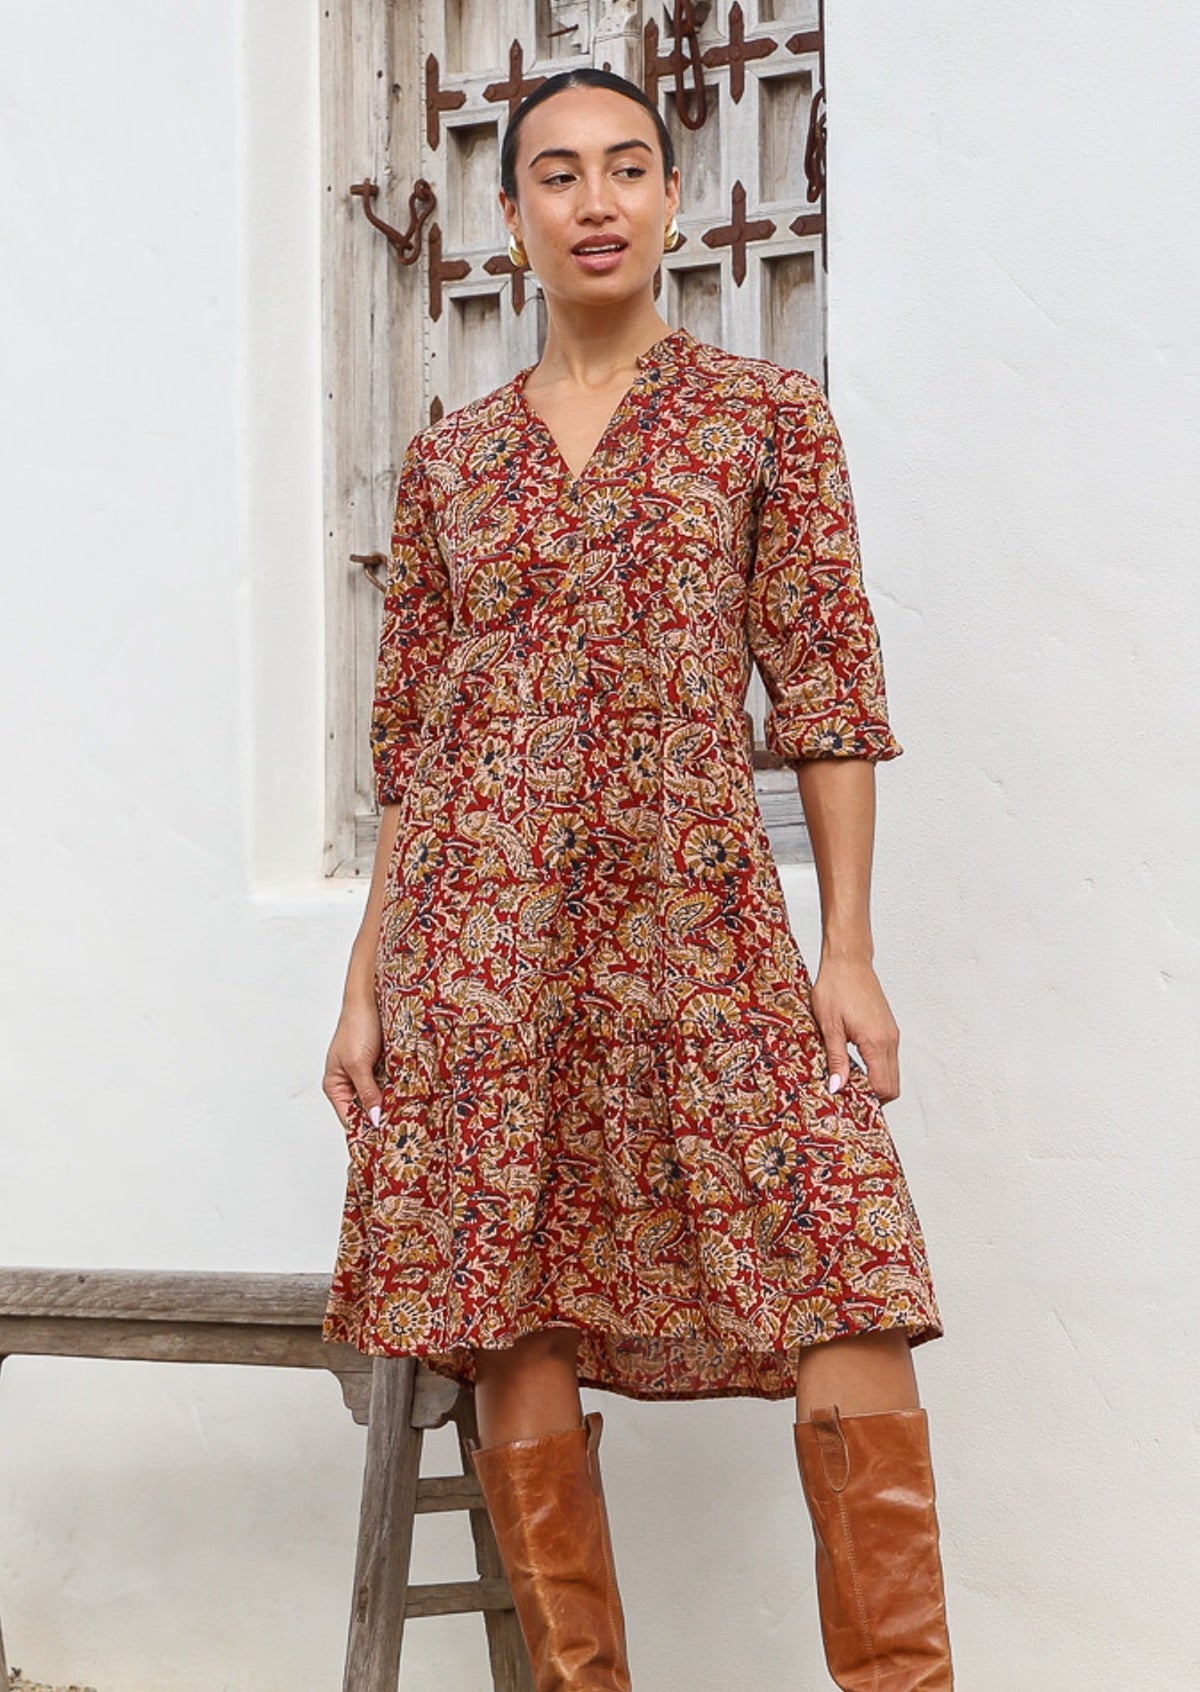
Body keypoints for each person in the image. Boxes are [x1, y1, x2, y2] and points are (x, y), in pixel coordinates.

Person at [321, 66, 953, 1692]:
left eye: (624, 169)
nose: (593, 201)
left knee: (844, 1275)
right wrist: (366, 981)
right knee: (518, 1309)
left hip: (701, 926)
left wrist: (848, 949)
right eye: (557, 174)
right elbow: (415, 749)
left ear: (672, 201)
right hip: (483, 948)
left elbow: (826, 694)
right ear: (512, 216)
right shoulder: (454, 463)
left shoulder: (764, 422)